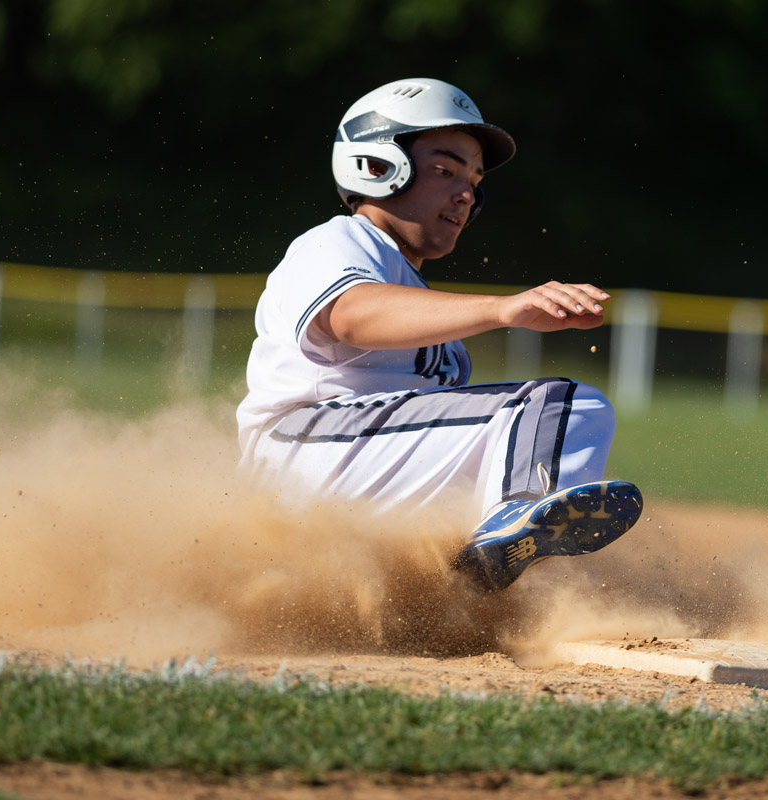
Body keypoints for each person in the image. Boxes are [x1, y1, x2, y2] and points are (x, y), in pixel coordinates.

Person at [235, 78, 643, 592]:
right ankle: (505, 540)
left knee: (517, 454)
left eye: (474, 180)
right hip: (305, 449)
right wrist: (503, 309)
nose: (467, 193)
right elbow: (351, 315)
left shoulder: (411, 286)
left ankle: (463, 584)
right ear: (378, 167)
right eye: (446, 169)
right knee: (562, 408)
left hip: (349, 467)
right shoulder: (338, 239)